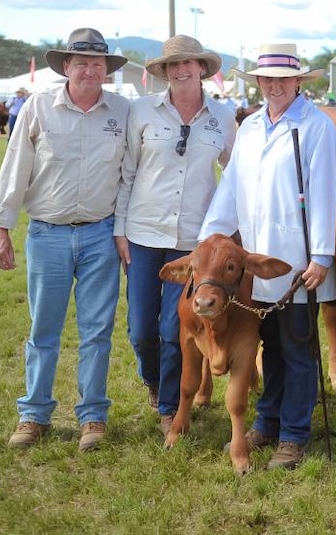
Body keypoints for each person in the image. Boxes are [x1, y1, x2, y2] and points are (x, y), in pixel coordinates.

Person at [199, 43, 336, 469]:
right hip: (254, 264)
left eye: (283, 79)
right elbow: (231, 187)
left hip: (300, 263)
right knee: (270, 347)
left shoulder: (317, 127)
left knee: (297, 348)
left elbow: (324, 192)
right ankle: (270, 419)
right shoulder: (249, 128)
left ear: (298, 81)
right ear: (259, 82)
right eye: (268, 79)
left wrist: (321, 255)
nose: (275, 86)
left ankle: (294, 435)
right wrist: (211, 237)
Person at [0, 28, 129, 452]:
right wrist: (1, 228)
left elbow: (130, 176)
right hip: (47, 233)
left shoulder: (123, 111)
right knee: (43, 329)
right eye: (80, 62)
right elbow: (15, 167)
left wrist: (123, 230)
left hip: (100, 234)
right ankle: (34, 414)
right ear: (65, 67)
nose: (89, 70)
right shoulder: (38, 107)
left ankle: (93, 416)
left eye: (97, 64)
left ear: (106, 70)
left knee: (97, 331)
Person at [114, 35, 237, 436]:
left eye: (189, 63)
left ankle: (169, 406)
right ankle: (153, 382)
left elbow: (235, 175)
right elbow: (127, 173)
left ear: (203, 68)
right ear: (164, 72)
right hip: (144, 235)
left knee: (172, 329)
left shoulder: (223, 116)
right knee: (141, 331)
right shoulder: (142, 111)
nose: (181, 70)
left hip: (192, 243)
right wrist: (120, 230)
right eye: (173, 65)